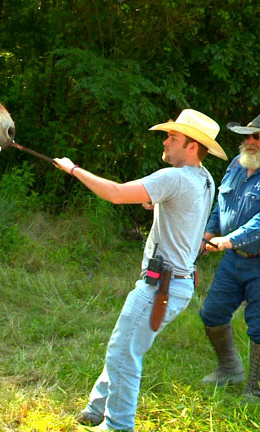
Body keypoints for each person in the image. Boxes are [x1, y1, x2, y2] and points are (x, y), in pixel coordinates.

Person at [53, 109, 227, 431]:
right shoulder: (204, 178)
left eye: (172, 137)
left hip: (161, 287)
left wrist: (73, 169)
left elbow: (116, 194)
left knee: (123, 352)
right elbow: (182, 209)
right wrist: (157, 201)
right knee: (127, 346)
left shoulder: (174, 178)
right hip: (176, 284)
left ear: (192, 146)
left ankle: (118, 425)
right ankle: (96, 408)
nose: (165, 141)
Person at [199, 113, 260, 399]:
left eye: (256, 137)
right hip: (233, 259)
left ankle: (255, 389)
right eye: (247, 136)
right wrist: (209, 233)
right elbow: (220, 205)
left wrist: (231, 239)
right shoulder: (237, 164)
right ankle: (229, 369)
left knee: (259, 327)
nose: (249, 141)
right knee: (212, 313)